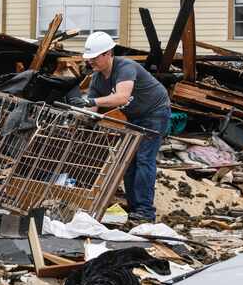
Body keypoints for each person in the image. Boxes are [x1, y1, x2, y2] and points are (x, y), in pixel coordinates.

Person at [72, 31, 171, 223]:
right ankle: (134, 207)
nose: (91, 62)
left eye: (94, 58)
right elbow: (93, 108)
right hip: (134, 116)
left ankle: (145, 211)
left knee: (144, 159)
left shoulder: (125, 67)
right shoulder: (98, 78)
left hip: (155, 112)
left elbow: (122, 97)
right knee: (128, 160)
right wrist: (83, 115)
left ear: (108, 53)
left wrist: (91, 100)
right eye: (89, 58)